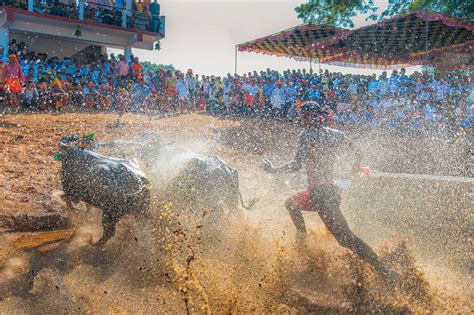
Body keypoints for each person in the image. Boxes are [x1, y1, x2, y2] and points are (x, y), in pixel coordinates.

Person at [260, 101, 397, 279]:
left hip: (321, 194)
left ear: (308, 117)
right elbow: (358, 152)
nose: (301, 120)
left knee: (346, 238)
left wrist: (273, 170)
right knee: (291, 204)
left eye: (303, 117)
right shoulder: (335, 134)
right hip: (324, 191)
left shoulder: (306, 135)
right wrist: (356, 167)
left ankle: (384, 272)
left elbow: (295, 165)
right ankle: (303, 240)